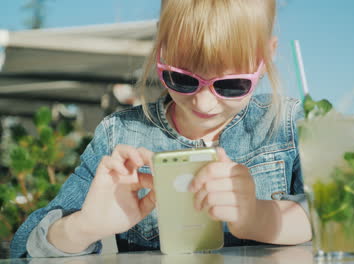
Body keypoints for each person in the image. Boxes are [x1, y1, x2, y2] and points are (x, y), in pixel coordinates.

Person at [10, 0, 312, 258]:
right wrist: (85, 226)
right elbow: (22, 249)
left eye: (231, 85)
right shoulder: (120, 136)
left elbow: (343, 216)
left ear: (268, 54)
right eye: (183, 79)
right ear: (160, 45)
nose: (204, 103)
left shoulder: (286, 124)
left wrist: (256, 216)